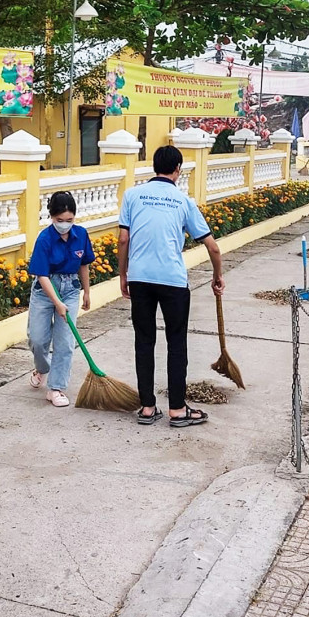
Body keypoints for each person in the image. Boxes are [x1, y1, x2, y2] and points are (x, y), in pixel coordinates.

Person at [118, 145, 225, 428]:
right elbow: (213, 247)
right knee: (176, 342)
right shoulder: (183, 201)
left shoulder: (132, 195)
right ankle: (177, 409)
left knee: (144, 341)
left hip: (140, 278)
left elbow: (123, 239)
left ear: (154, 166)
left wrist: (123, 275)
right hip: (173, 281)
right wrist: (217, 276)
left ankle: (147, 407)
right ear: (178, 169)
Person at [27, 191, 95, 407]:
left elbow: (83, 264)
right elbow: (41, 275)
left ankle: (56, 388)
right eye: (60, 220)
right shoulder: (44, 239)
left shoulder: (81, 234)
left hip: (70, 289)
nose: (65, 224)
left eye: (69, 220)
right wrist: (57, 303)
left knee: (65, 341)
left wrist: (86, 291)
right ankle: (42, 368)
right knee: (37, 339)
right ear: (51, 217)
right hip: (45, 289)